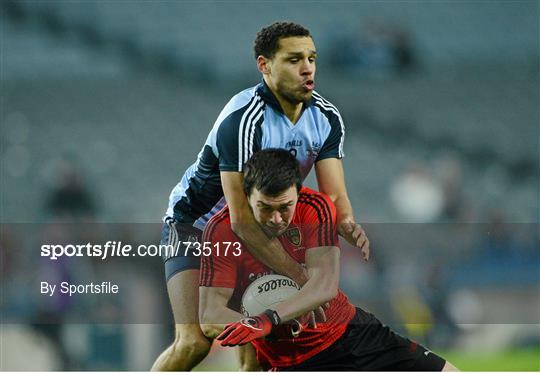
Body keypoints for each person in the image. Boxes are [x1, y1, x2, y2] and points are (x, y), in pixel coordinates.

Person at [152, 22, 369, 371]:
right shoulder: (243, 120)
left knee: (257, 341)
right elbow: (239, 220)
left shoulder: (326, 117)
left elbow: (334, 196)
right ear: (264, 65)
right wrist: (304, 280)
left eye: (312, 58)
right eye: (294, 59)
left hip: (263, 228)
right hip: (195, 224)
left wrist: (347, 224)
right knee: (194, 342)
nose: (307, 67)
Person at [199, 149, 458, 371]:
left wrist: (269, 318)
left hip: (352, 333)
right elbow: (210, 315)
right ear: (246, 196)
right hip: (290, 362)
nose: (277, 218)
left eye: (285, 207)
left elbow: (324, 286)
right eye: (265, 207)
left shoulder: (315, 208)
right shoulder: (221, 231)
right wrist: (253, 325)